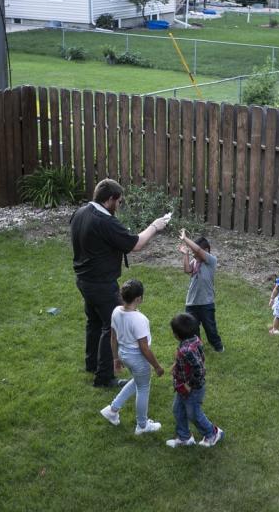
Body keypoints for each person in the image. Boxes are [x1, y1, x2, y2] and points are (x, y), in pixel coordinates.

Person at [70, 178, 170, 388]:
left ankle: (92, 364)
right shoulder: (105, 221)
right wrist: (155, 226)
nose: (119, 205)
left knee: (94, 322)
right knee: (111, 325)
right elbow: (136, 244)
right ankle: (104, 377)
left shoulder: (81, 212)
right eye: (119, 201)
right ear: (110, 200)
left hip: (83, 280)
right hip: (101, 283)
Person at [99, 279, 166, 435]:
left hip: (124, 354)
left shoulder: (116, 311)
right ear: (138, 299)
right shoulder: (140, 319)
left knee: (137, 381)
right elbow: (144, 348)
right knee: (143, 387)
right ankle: (142, 425)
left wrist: (116, 359)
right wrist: (157, 366)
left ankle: (112, 410)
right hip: (137, 358)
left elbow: (113, 338)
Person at [166, 312, 225, 448]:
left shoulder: (186, 350)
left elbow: (199, 369)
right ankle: (184, 437)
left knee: (193, 414)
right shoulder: (193, 339)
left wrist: (189, 385)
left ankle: (213, 433)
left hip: (193, 389)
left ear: (177, 334)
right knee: (178, 410)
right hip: (182, 386)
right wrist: (176, 365)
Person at [178, 229, 223, 352]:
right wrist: (186, 254)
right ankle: (197, 347)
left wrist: (185, 239)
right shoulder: (195, 261)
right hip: (191, 302)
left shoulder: (211, 261)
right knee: (192, 328)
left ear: (206, 251)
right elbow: (187, 270)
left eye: (194, 252)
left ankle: (218, 346)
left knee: (210, 327)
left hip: (206, 303)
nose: (193, 253)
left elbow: (197, 250)